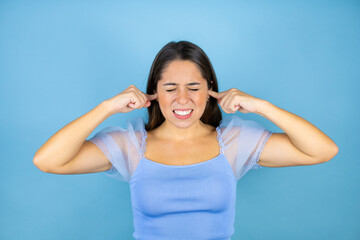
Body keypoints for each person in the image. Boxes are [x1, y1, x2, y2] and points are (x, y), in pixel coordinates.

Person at [33, 40, 339, 240]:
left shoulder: (234, 141)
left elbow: (323, 150)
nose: (183, 99)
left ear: (210, 90)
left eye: (194, 86)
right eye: (170, 88)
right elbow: (47, 161)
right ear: (152, 92)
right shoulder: (130, 143)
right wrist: (106, 107)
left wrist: (262, 106)